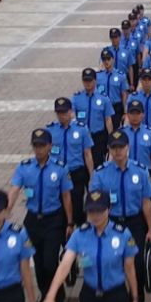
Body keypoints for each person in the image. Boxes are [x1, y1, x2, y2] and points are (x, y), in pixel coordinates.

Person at [8, 129, 73, 302]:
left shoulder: (60, 168)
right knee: (38, 262)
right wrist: (7, 209)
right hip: (33, 221)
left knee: (50, 263)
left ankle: (57, 296)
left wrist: (69, 222)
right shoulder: (24, 167)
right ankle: (46, 294)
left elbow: (66, 196)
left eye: (42, 145)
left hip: (54, 220)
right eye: (35, 145)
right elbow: (14, 190)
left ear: (50, 146)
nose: (39, 149)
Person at [90, 130, 151, 302]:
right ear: (109, 149)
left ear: (128, 147)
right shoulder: (100, 174)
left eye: (121, 147)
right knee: (113, 262)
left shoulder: (140, 171)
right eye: (114, 147)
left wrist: (150, 229)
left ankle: (137, 297)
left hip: (135, 223)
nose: (118, 151)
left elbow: (146, 202)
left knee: (138, 262)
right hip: (111, 224)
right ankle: (117, 297)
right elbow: (94, 204)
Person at [46, 97, 94, 227]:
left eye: (64, 112)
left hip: (76, 172)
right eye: (59, 113)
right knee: (59, 205)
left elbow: (87, 153)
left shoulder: (81, 129)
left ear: (71, 111)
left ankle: (78, 230)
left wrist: (91, 175)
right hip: (57, 173)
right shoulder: (50, 130)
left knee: (77, 204)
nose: (62, 115)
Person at [73, 68, 114, 166]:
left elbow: (108, 120)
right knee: (82, 165)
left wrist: (111, 138)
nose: (88, 83)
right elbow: (72, 117)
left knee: (98, 164)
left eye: (90, 80)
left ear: (95, 80)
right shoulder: (76, 98)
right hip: (82, 137)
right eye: (85, 80)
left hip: (98, 138)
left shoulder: (103, 98)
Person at [121, 100, 151, 189]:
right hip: (127, 173)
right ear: (127, 115)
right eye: (132, 113)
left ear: (143, 115)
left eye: (137, 113)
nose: (134, 116)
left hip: (145, 174)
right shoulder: (122, 134)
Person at [97, 46, 130, 131]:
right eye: (104, 60)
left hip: (115, 107)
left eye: (108, 59)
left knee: (115, 131)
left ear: (113, 60)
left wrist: (125, 111)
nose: (106, 62)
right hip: (102, 107)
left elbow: (124, 95)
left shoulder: (120, 76)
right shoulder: (98, 76)